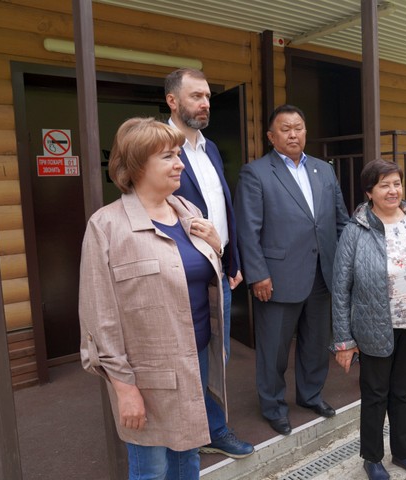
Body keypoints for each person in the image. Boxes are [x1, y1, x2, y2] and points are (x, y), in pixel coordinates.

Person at [78, 118, 227, 479]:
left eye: (178, 154)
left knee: (188, 460)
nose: (180, 164)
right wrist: (124, 388)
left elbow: (197, 277)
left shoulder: (188, 212)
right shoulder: (106, 225)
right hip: (146, 374)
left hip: (195, 359)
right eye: (168, 156)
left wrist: (216, 246)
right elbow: (99, 316)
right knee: (152, 470)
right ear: (138, 165)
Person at [234, 104, 350, 435]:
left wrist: (345, 264)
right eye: (285, 129)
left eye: (298, 128)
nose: (293, 134)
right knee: (274, 348)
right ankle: (273, 406)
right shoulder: (256, 173)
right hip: (276, 277)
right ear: (271, 137)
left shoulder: (323, 170)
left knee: (315, 342)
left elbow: (340, 220)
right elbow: (248, 230)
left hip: (321, 272)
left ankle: (310, 395)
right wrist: (257, 274)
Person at [164, 68, 253, 458]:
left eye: (208, 97)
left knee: (217, 356)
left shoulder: (210, 148)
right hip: (180, 276)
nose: (205, 104)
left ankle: (205, 428)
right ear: (172, 101)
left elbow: (222, 208)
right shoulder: (159, 147)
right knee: (189, 360)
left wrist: (232, 261)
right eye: (196, 96)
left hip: (217, 272)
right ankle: (204, 431)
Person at [332, 159, 406, 480]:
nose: (393, 191)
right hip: (374, 325)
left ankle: (404, 452)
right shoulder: (356, 230)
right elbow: (341, 287)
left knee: (402, 392)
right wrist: (344, 341)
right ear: (369, 192)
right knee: (375, 394)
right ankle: (373, 458)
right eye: (384, 185)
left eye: (397, 183)